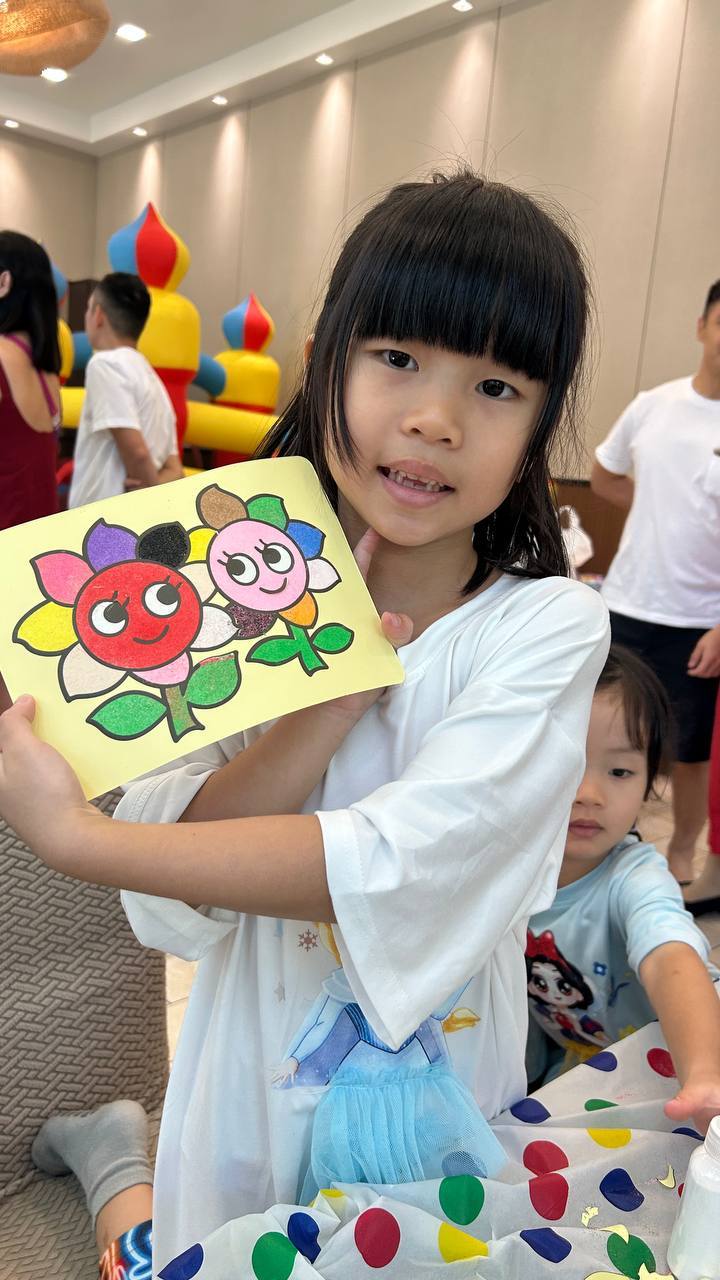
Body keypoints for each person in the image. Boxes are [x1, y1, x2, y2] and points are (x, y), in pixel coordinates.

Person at [0, 171, 610, 1277]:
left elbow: (399, 860)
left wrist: (79, 838)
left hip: (437, 1092)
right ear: (328, 354)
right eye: (397, 358)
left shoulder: (549, 626)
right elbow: (190, 871)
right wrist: (315, 715)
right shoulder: (237, 591)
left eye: (498, 384)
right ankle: (118, 1172)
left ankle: (108, 1165)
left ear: (541, 420)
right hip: (246, 1074)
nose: (434, 415)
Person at [526, 645, 720, 1108]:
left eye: (620, 771)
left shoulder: (635, 878)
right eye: (568, 763)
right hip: (592, 1064)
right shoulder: (508, 870)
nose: (590, 794)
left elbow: (669, 955)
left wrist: (706, 1074)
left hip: (684, 1062)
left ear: (650, 780)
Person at [591, 281, 720, 891]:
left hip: (700, 621)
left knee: (688, 753)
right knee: (606, 735)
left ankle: (681, 853)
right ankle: (603, 840)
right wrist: (659, 513)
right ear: (701, 326)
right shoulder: (654, 405)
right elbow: (604, 476)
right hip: (625, 603)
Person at [68, 272, 183, 508]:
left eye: (88, 308)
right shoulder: (153, 380)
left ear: (98, 315)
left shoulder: (104, 364)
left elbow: (137, 452)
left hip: (101, 516)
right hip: (131, 516)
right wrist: (153, 494)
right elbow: (174, 470)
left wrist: (145, 501)